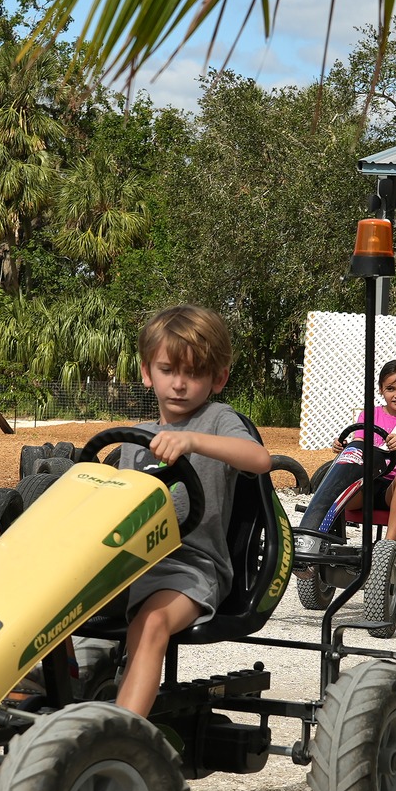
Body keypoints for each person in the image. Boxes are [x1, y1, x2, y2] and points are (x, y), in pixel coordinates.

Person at [98, 306, 272, 719]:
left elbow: (259, 459)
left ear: (218, 378)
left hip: (190, 569)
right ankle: (53, 692)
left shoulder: (216, 420)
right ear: (147, 372)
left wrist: (192, 440)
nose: (179, 384)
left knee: (151, 623)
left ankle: (123, 735)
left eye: (193, 373)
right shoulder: (134, 439)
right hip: (131, 564)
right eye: (167, 370)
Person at [296, 360, 396, 568]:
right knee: (341, 469)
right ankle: (314, 537)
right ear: (381, 389)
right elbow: (359, 444)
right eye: (391, 389)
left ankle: (388, 547)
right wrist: (345, 447)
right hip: (368, 483)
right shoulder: (370, 415)